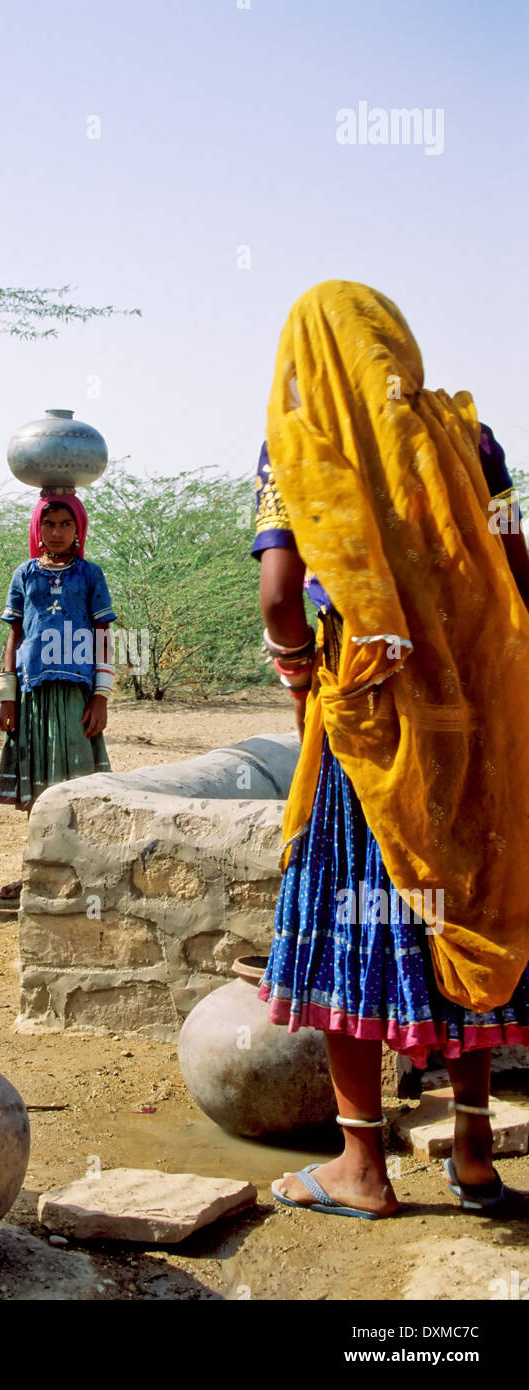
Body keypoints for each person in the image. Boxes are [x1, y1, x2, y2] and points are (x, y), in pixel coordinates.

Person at [253, 280, 529, 1219]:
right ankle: (478, 1153)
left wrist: (300, 674)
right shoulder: (469, 442)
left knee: (356, 920)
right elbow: (516, 570)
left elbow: (281, 594)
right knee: (467, 906)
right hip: (470, 722)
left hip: (370, 733)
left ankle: (362, 1171)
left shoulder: (303, 437)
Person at [0, 492, 116, 899]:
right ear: (37, 529)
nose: (57, 531)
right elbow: (15, 635)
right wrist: (6, 695)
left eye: (66, 524)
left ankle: (84, 875)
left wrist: (101, 696)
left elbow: (103, 635)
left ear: (78, 529)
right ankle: (37, 873)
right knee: (38, 786)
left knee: (77, 785)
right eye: (49, 524)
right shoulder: (25, 575)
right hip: (32, 692)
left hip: (76, 695)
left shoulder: (90, 575)